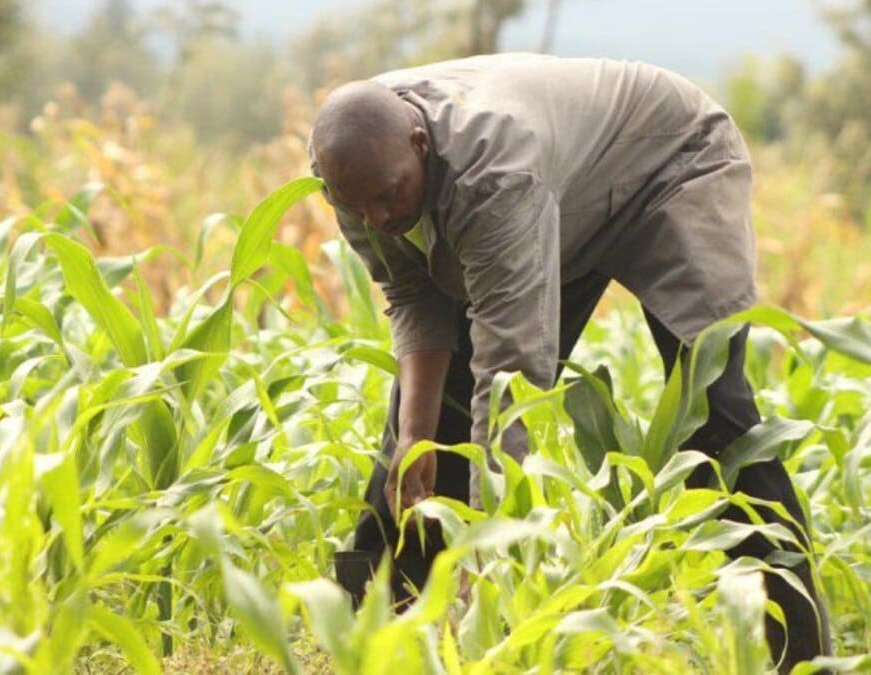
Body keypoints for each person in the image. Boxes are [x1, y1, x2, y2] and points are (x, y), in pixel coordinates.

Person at [309, 53, 831, 672]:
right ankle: (375, 638)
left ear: (420, 145)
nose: (377, 219)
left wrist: (491, 548)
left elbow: (510, 384)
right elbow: (415, 298)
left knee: (714, 420)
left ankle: (803, 653)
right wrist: (417, 438)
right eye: (357, 206)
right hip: (570, 188)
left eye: (388, 197)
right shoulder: (357, 166)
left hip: (672, 165)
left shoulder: (493, 173)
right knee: (427, 430)